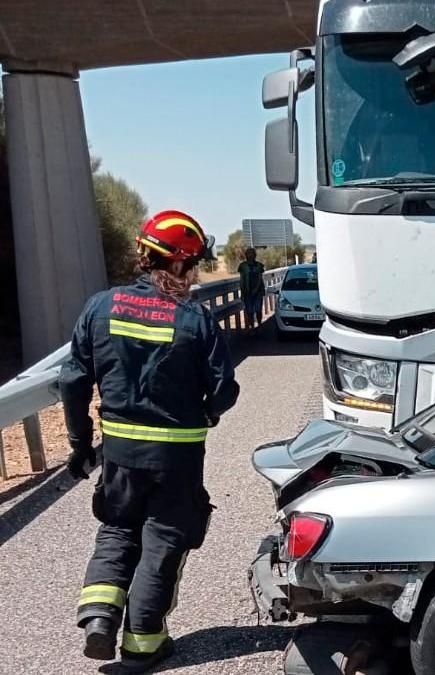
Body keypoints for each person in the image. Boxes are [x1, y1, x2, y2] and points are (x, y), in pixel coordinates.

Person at [60, 209, 240, 672]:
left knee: (119, 527)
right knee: (163, 538)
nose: (196, 271)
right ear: (179, 265)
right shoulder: (195, 319)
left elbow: (74, 380)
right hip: (176, 456)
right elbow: (224, 389)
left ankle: (99, 615)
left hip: (118, 450)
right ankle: (143, 643)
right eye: (194, 263)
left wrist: (81, 446)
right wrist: (209, 412)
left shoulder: (100, 306)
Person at [238, 247, 265, 329]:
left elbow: (260, 279)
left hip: (258, 292)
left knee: (258, 310)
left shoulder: (259, 265)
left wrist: (256, 289)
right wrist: (242, 293)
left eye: (252, 253)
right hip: (247, 292)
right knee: (249, 311)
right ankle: (252, 327)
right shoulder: (242, 266)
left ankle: (259, 324)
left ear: (255, 255)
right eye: (248, 253)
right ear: (246, 255)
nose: (250, 255)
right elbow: (242, 279)